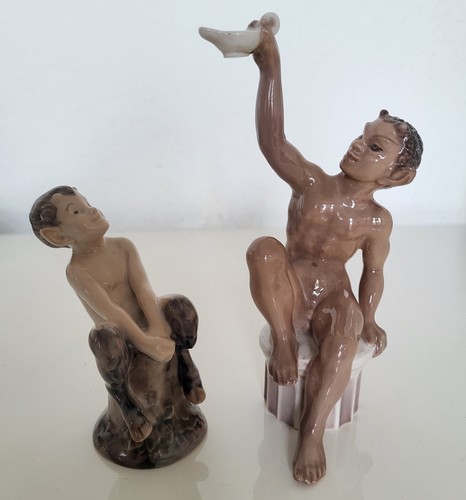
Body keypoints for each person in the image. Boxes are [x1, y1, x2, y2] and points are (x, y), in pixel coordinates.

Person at [245, 23, 423, 484]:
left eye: (375, 146)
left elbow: (373, 272)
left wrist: (369, 317)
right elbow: (272, 141)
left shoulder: (377, 221)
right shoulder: (312, 184)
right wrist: (270, 68)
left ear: (396, 176)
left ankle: (312, 433)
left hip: (331, 297)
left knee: (345, 337)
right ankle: (284, 340)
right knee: (263, 250)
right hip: (291, 288)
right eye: (362, 135)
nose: (358, 144)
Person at [30, 186, 206, 467]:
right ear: (58, 236)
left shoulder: (123, 246)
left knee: (179, 305)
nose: (91, 210)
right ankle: (126, 403)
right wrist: (145, 343)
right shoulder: (77, 271)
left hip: (149, 322)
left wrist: (158, 329)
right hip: (121, 335)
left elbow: (144, 290)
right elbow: (111, 311)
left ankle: (186, 363)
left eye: (86, 203)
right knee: (101, 337)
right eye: (77, 211)